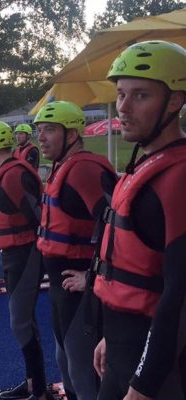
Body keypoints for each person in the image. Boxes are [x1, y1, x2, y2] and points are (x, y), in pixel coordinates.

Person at [92, 40, 186, 400]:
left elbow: (179, 298)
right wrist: (111, 338)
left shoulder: (179, 179)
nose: (124, 109)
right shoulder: (144, 166)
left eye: (141, 95)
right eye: (120, 95)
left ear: (174, 101)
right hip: (122, 349)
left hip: (158, 369)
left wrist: (144, 385)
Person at [34, 101, 117, 400]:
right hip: (61, 290)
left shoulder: (83, 169)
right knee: (65, 363)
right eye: (39, 130)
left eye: (50, 130)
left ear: (72, 134)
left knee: (83, 372)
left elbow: (118, 227)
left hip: (82, 292)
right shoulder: (61, 167)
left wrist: (92, 276)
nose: (41, 137)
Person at [0, 121, 53, 400]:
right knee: (23, 320)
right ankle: (33, 384)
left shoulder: (14, 175)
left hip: (27, 253)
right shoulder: (5, 172)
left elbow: (41, 216)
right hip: (13, 254)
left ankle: (39, 390)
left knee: (20, 321)